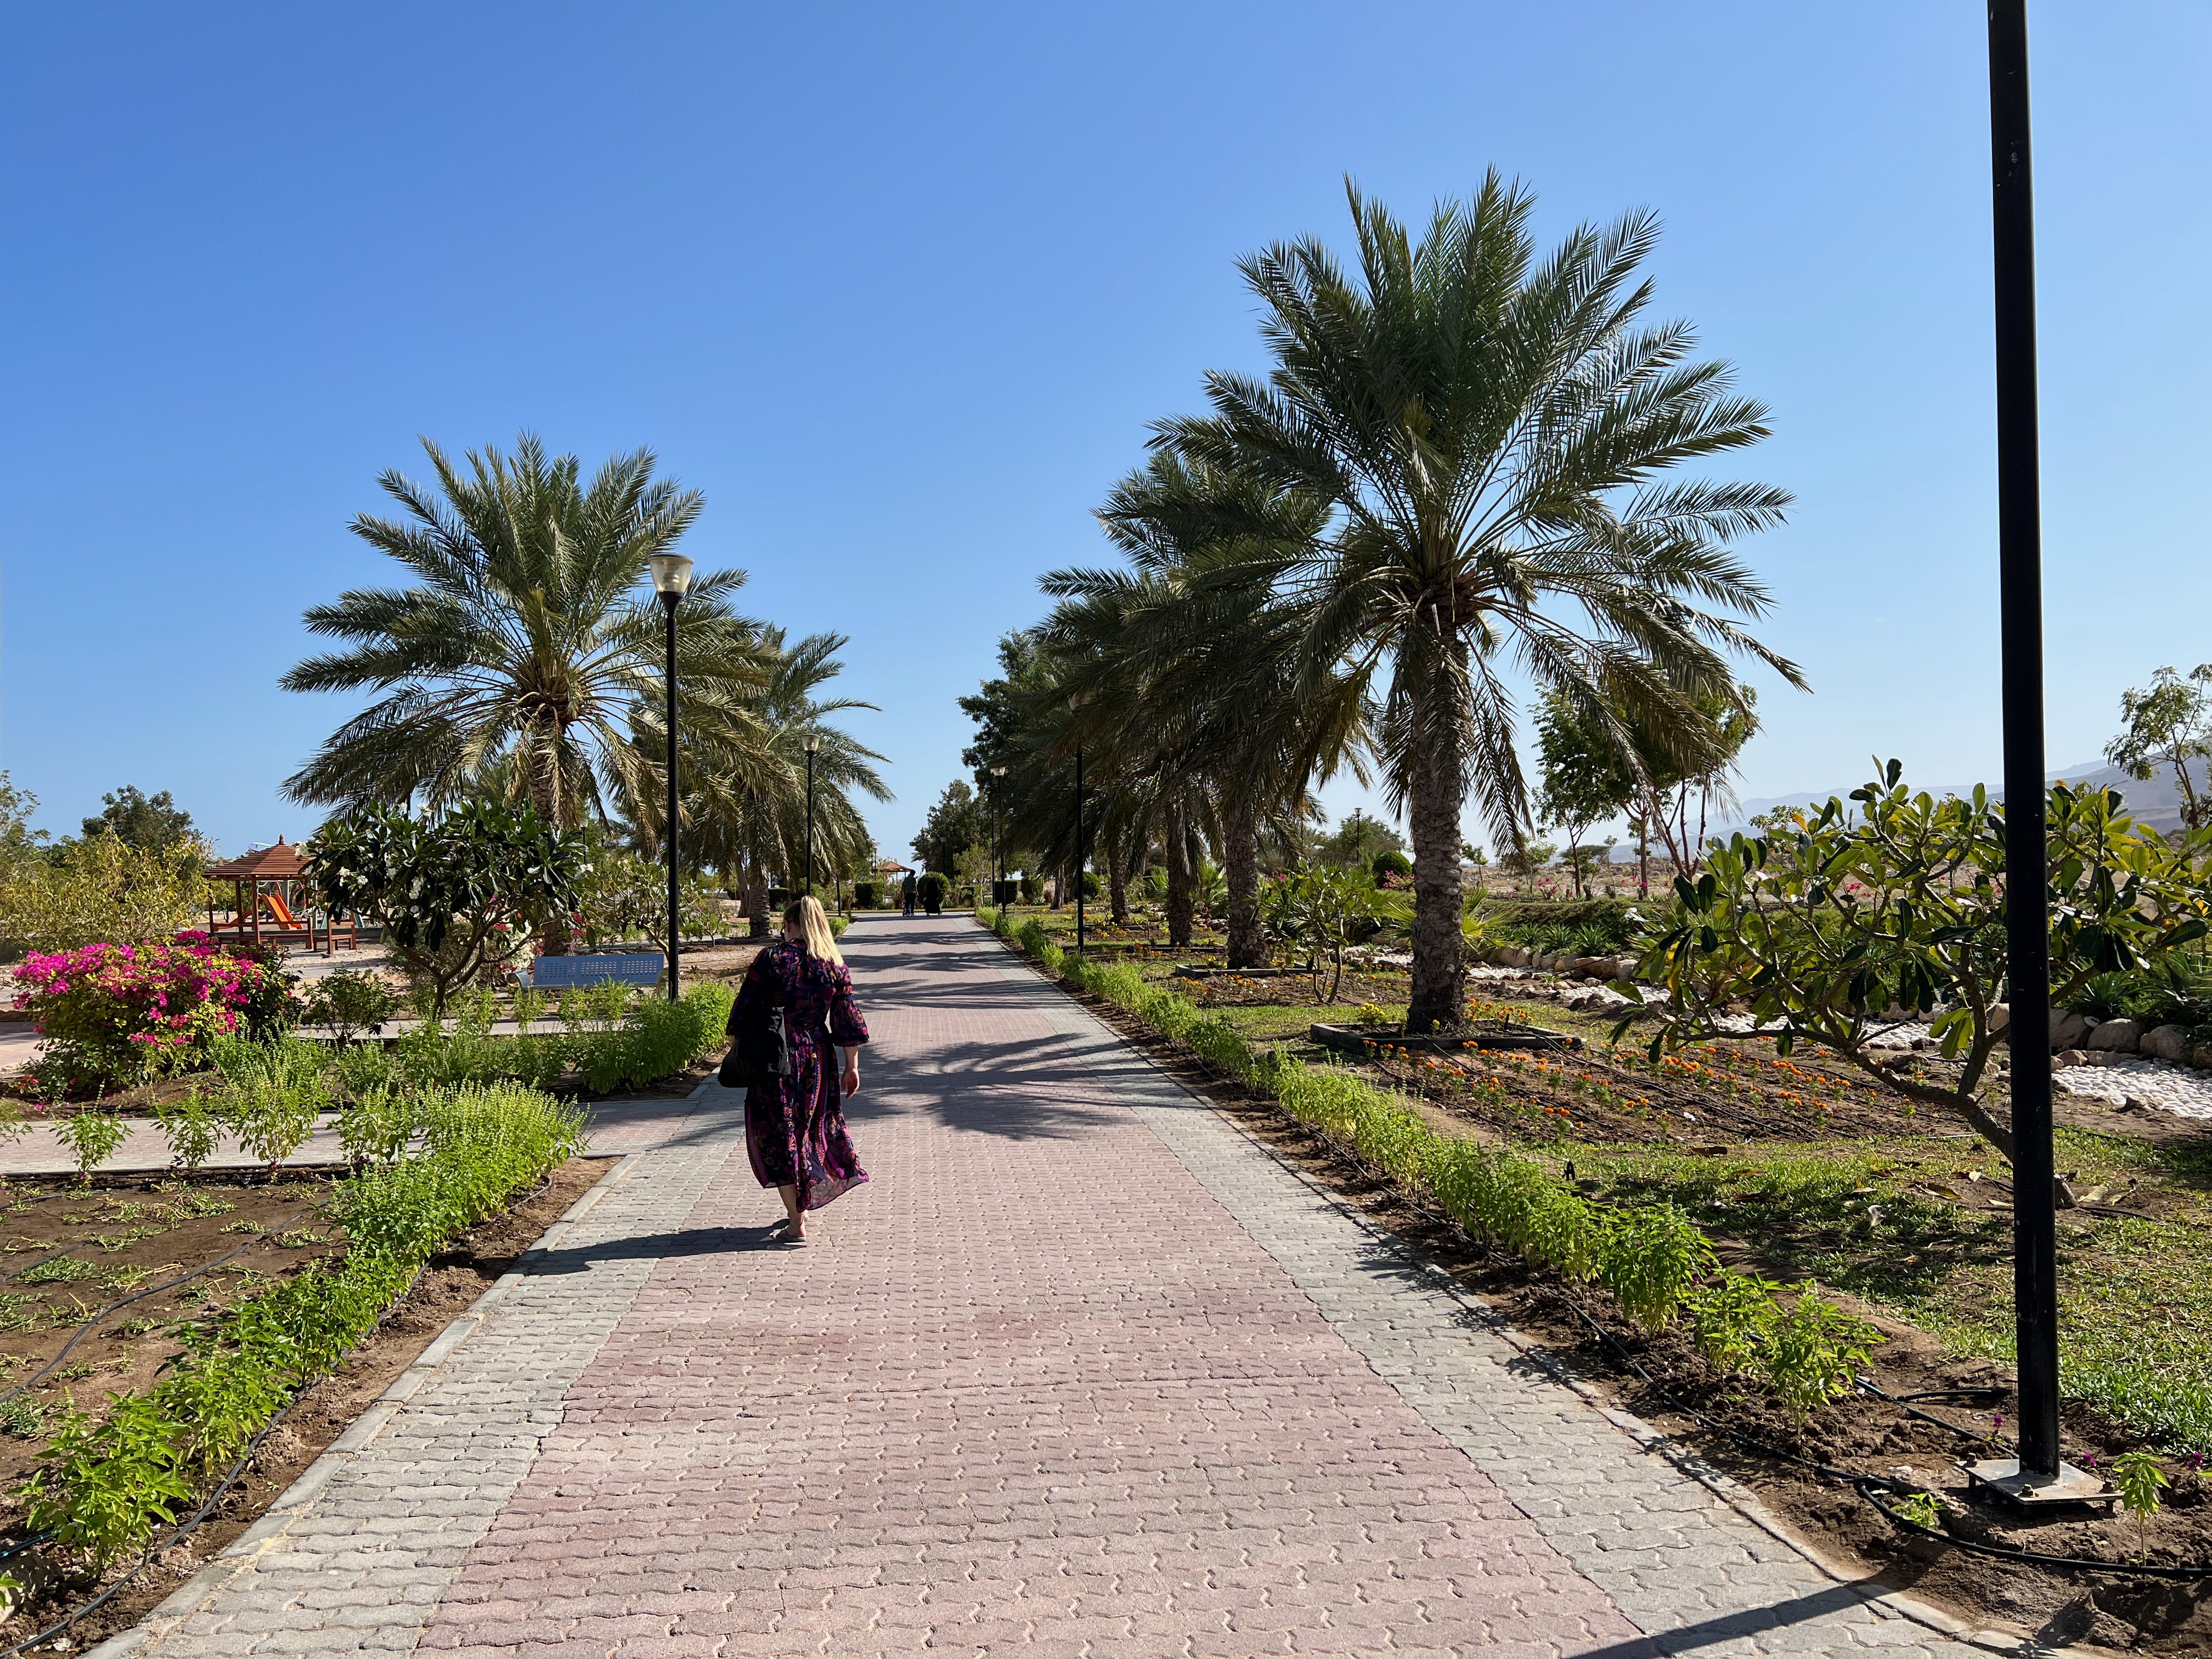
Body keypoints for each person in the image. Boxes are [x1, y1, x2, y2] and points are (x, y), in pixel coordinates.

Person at [727, 895, 870, 1240]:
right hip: (818, 1057)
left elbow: (743, 1010)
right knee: (809, 1130)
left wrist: (738, 1051)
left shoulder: (772, 959)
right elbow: (846, 1020)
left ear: (790, 925)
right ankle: (800, 1209)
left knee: (781, 1133)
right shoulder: (833, 965)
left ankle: (797, 1219)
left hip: (775, 1058)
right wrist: (852, 1067)